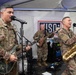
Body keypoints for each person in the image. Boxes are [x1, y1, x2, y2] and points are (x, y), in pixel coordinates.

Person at [0, 5, 31, 75]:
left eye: (13, 13)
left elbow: (15, 45)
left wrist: (24, 48)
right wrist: (8, 56)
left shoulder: (13, 27)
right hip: (2, 64)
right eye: (9, 12)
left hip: (12, 64)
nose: (12, 15)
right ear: (1, 13)